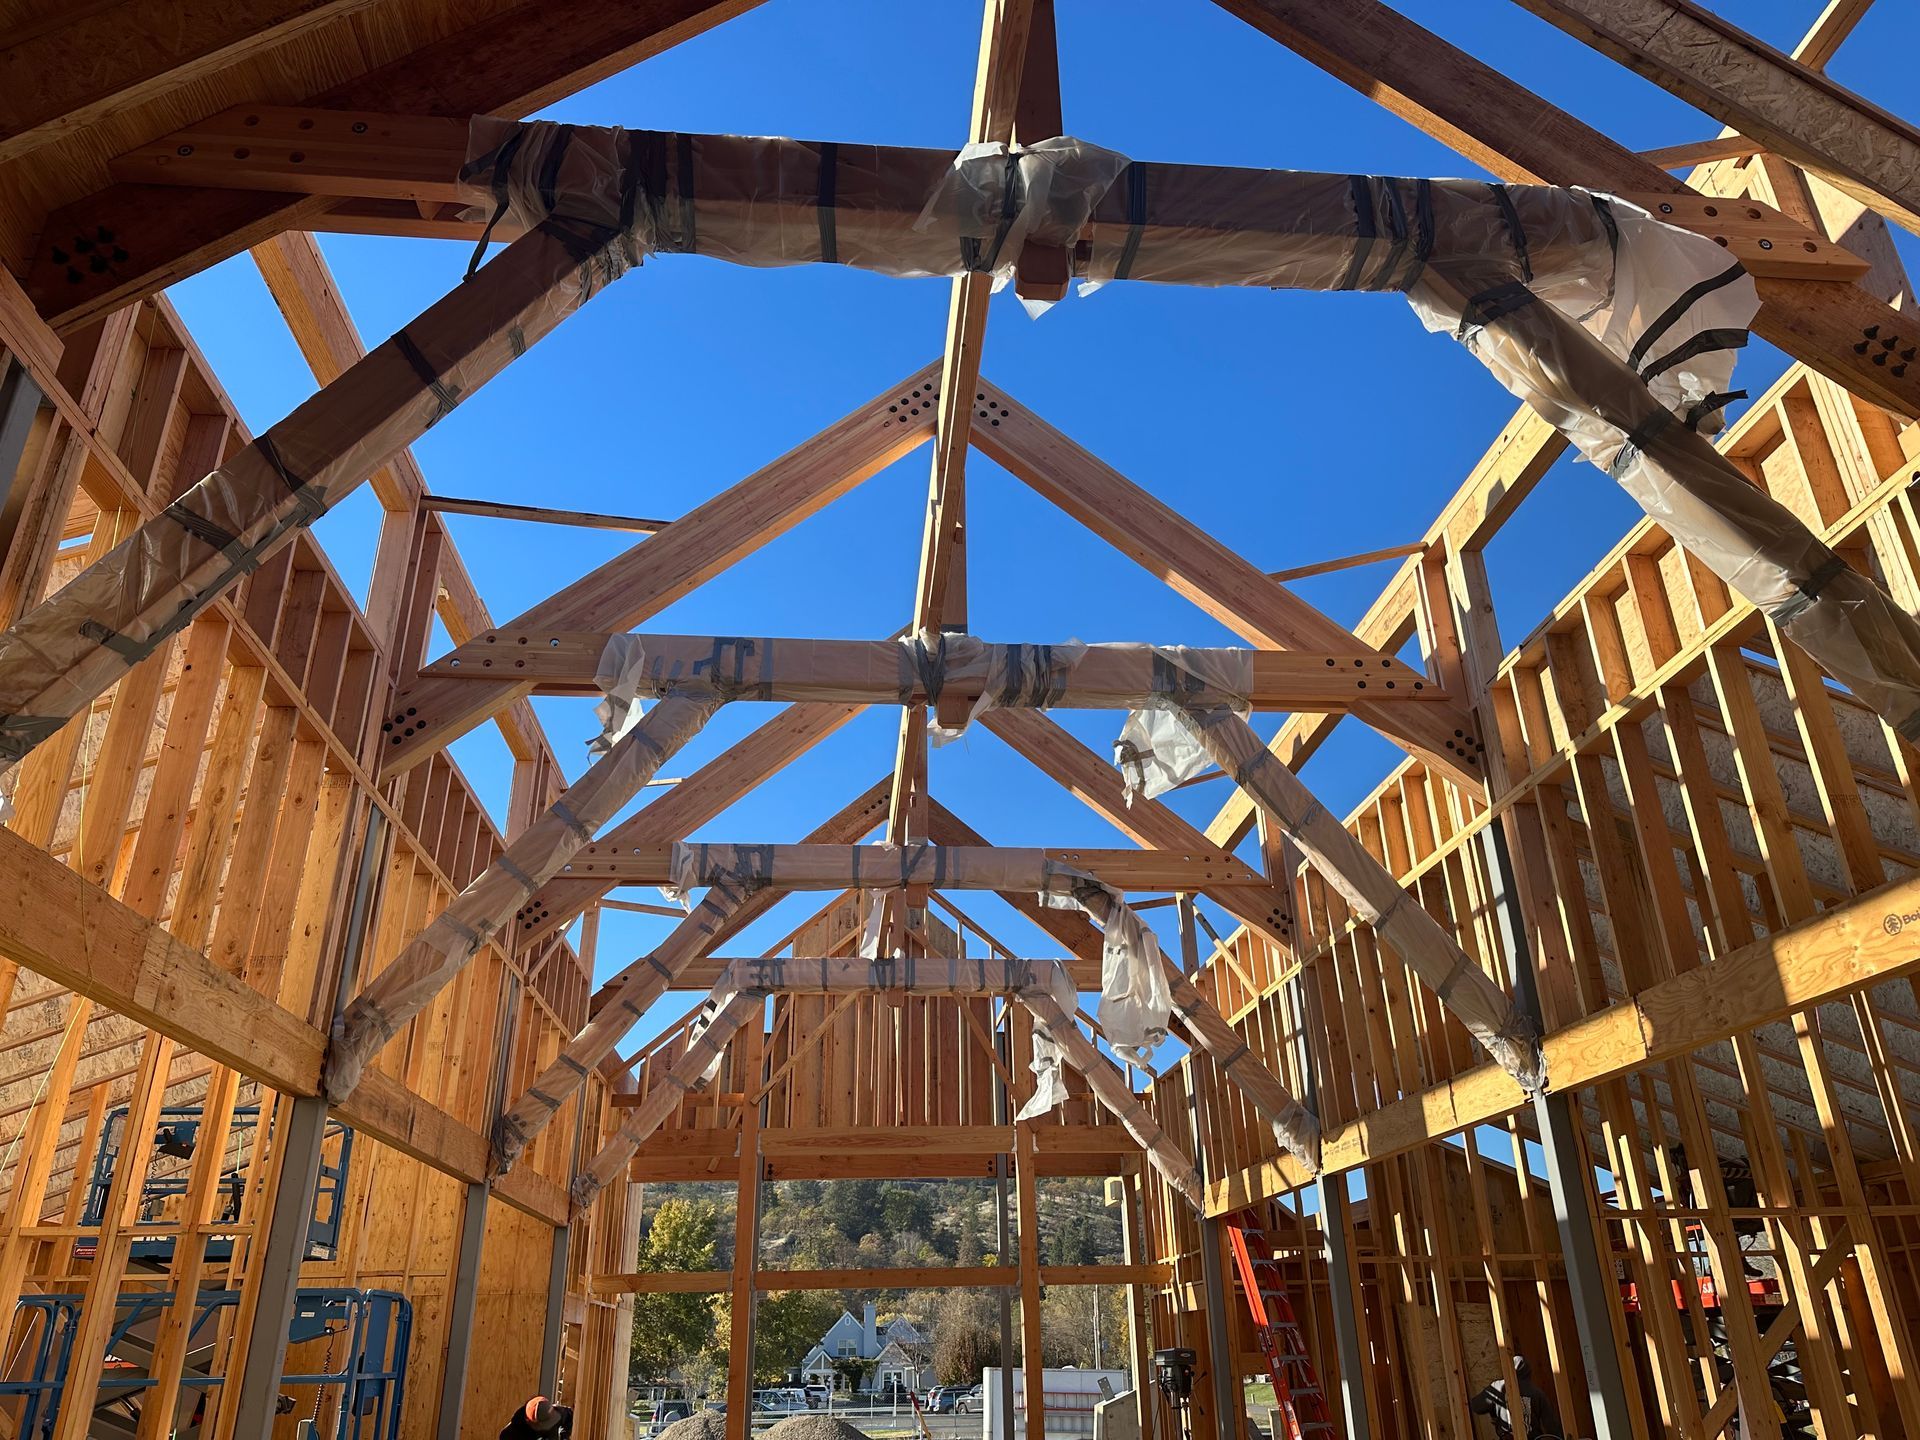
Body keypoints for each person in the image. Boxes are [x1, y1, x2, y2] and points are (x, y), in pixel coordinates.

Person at [1469, 1356, 1563, 1440]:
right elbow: (1552, 1427)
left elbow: (1476, 1406)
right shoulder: (1537, 1393)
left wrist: (1494, 1409)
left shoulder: (1497, 1387)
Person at [501, 1396, 573, 1439]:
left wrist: (564, 1436)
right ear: (530, 1422)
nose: (548, 1426)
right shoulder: (510, 1436)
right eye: (545, 1424)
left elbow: (569, 1417)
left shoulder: (555, 1411)